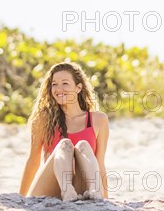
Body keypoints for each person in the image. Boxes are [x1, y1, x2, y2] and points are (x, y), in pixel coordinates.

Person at [19, 61, 109, 201]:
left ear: (78, 88)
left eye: (65, 83)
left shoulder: (99, 120)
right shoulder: (43, 119)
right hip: (51, 186)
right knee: (64, 144)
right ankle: (66, 191)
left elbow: (99, 163)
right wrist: (20, 198)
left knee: (83, 146)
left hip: (82, 186)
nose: (58, 89)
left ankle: (94, 191)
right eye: (54, 84)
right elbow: (33, 160)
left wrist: (106, 200)